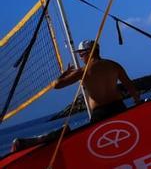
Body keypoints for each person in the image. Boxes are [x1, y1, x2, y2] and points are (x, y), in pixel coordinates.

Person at [10, 40, 141, 152]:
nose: (80, 57)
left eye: (81, 54)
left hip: (100, 114)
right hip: (119, 108)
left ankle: (50, 138)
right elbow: (130, 86)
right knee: (126, 140)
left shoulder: (83, 71)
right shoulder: (113, 65)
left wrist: (64, 74)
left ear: (87, 53)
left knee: (97, 146)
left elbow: (56, 85)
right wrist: (137, 101)